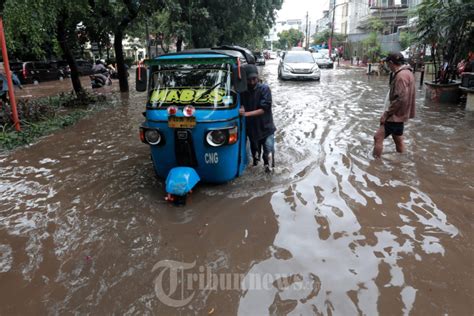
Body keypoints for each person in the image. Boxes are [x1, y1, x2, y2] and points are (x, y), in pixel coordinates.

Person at [373, 52, 416, 158]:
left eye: (388, 63)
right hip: (401, 115)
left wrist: (386, 114)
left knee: (378, 137)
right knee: (398, 139)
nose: (388, 66)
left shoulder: (401, 76)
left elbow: (400, 99)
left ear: (392, 63)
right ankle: (402, 162)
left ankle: (374, 165)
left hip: (395, 116)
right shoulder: (408, 73)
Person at [239, 64, 276, 172]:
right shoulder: (242, 92)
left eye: (254, 79)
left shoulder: (264, 89)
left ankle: (269, 176)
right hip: (252, 130)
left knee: (268, 156)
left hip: (266, 128)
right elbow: (240, 105)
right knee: (255, 158)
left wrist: (245, 114)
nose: (252, 82)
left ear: (258, 77)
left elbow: (264, 109)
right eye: (249, 80)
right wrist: (241, 108)